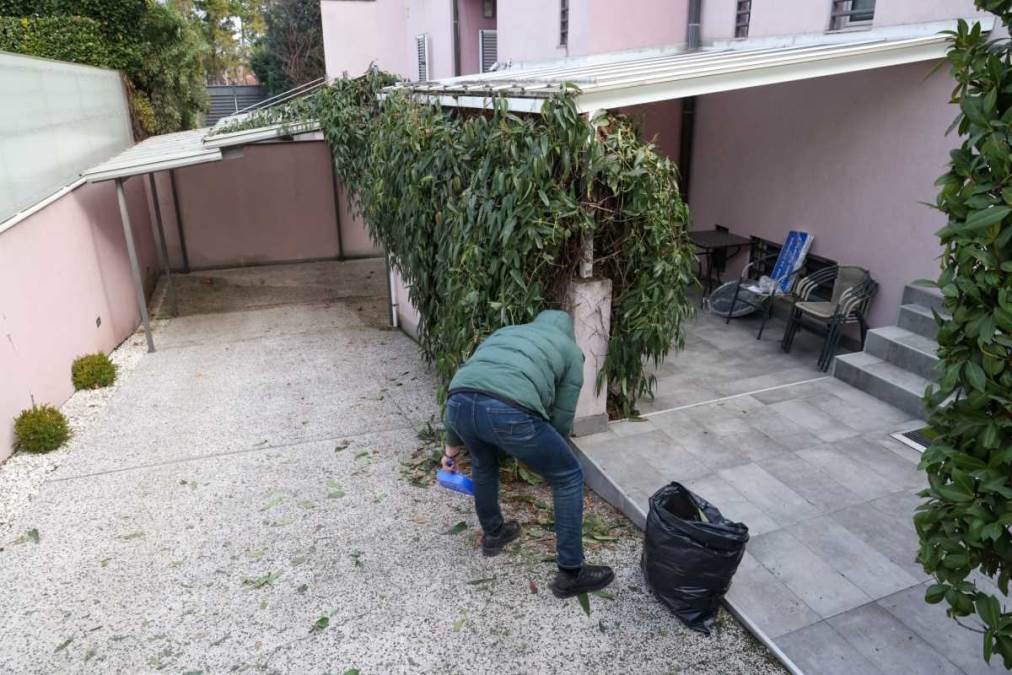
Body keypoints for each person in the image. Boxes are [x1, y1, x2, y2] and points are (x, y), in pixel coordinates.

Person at [441, 309, 615, 598]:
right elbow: (562, 417)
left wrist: (450, 450)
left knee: (483, 463)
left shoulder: (505, 332)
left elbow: (471, 384)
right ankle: (571, 573)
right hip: (508, 409)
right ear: (568, 332)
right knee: (569, 476)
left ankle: (494, 534)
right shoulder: (569, 350)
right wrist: (546, 456)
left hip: (457, 401)